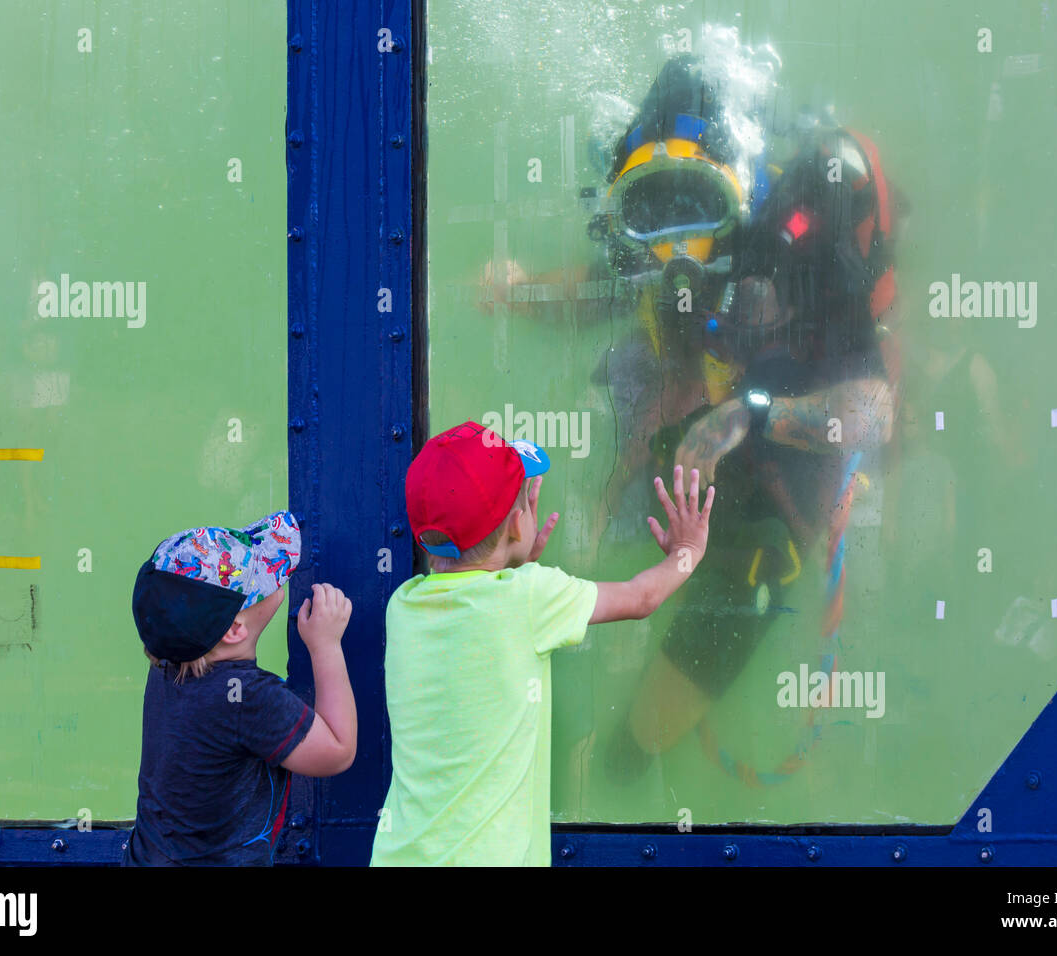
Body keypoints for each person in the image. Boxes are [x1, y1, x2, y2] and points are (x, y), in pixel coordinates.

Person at [602, 120, 904, 784]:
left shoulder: (804, 244)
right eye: (651, 209)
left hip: (775, 483)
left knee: (637, 742)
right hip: (697, 453)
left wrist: (752, 413)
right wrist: (512, 286)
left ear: (733, 184)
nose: (676, 236)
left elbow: (873, 414)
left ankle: (621, 770)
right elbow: (596, 286)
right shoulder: (662, 256)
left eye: (698, 201)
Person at [370, 422, 715, 865]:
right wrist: (686, 550)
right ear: (518, 523)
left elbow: (477, 608)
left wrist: (510, 556)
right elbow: (641, 597)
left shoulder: (404, 606)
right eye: (526, 502)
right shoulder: (531, 597)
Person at [123, 510, 357, 865]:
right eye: (262, 573)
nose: (274, 573)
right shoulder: (247, 698)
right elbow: (337, 750)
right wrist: (326, 645)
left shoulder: (167, 666)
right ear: (234, 630)